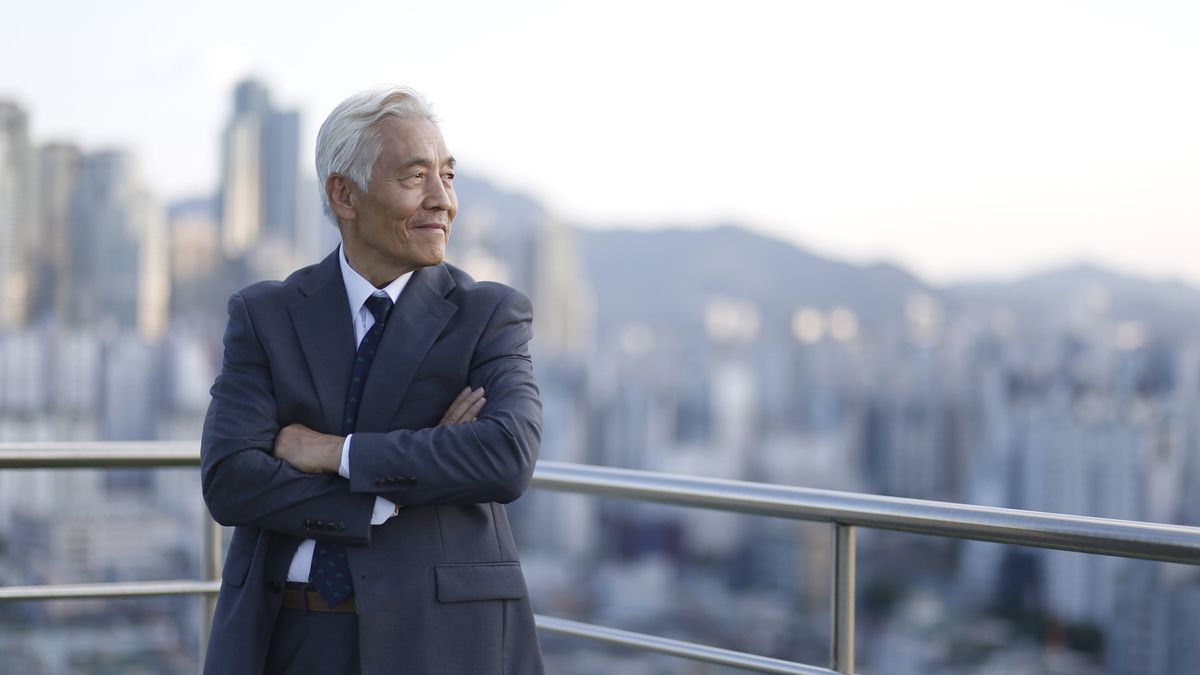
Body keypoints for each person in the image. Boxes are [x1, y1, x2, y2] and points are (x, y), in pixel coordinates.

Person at [200, 85, 544, 675]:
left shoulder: (489, 315)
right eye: (415, 178)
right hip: (288, 634)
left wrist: (330, 452)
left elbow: (506, 456)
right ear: (344, 194)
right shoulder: (266, 315)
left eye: (449, 176)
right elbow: (231, 479)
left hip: (440, 638)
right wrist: (394, 487)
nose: (444, 201)